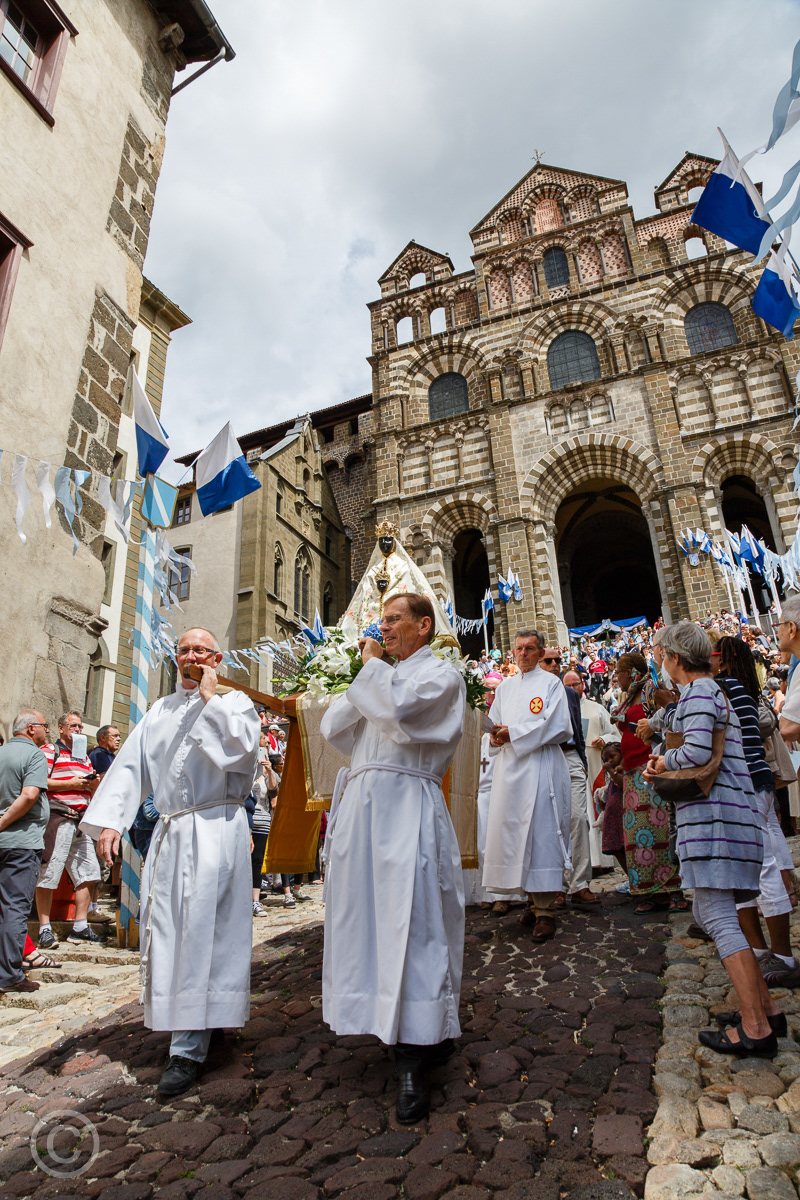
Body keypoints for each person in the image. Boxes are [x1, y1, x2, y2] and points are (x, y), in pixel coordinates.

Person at [81, 626, 260, 1099]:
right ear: (175, 658)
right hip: (174, 830)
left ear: (217, 658)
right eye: (184, 650)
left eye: (201, 650)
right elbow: (130, 770)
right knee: (172, 932)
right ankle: (202, 1023)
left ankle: (187, 1049)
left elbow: (240, 752)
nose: (192, 656)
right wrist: (112, 823)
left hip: (216, 828)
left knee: (205, 932)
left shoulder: (235, 703)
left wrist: (208, 700)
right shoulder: (158, 711)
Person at [320, 593, 466, 1125]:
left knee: (415, 921)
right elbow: (335, 729)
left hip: (408, 807)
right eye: (381, 622)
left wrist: (372, 669)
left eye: (392, 620)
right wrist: (365, 675)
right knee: (366, 917)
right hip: (363, 809)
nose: (384, 629)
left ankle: (415, 1049)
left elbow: (400, 713)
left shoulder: (442, 675)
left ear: (423, 626)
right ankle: (380, 1016)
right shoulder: (381, 674)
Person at [646, 621, 781, 1056]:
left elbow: (698, 752)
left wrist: (660, 763)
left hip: (717, 821)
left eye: (661, 655)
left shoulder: (702, 691)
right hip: (722, 819)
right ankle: (765, 1007)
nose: (660, 663)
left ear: (674, 657)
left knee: (717, 916)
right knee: (714, 911)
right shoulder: (702, 692)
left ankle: (756, 1027)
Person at [710, 636, 797, 986]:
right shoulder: (732, 686)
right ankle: (761, 953)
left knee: (761, 867)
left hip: (744, 782)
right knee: (745, 870)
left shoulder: (723, 688)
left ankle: (783, 956)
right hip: (749, 781)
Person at [483, 629, 572, 944]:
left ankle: (546, 911)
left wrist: (513, 733)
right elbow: (494, 725)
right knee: (514, 833)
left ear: (540, 652)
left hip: (540, 767)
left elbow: (559, 726)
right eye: (519, 648)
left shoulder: (551, 684)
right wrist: (495, 736)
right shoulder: (505, 688)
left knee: (540, 832)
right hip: (510, 770)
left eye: (530, 649)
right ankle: (532, 902)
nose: (523, 654)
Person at [612, 654, 683, 914]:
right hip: (632, 771)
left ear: (631, 672)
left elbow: (665, 724)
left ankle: (673, 889)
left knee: (661, 830)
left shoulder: (650, 691)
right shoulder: (628, 697)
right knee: (639, 836)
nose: (616, 677)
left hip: (650, 766)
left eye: (619, 672)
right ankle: (652, 891)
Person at [36, 711, 102, 950]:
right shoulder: (49, 752)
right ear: (61, 728)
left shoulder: (84, 757)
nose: (78, 730)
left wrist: (92, 782)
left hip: (80, 819)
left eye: (81, 726)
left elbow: (89, 787)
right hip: (59, 816)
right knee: (49, 872)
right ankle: (44, 928)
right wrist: (70, 784)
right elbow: (39, 781)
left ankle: (80, 926)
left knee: (88, 872)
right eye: (73, 726)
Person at [0, 712, 52, 993]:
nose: (47, 731)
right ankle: (9, 976)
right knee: (14, 909)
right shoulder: (34, 756)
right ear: (31, 729)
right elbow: (30, 795)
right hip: (20, 842)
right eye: (44, 726)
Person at [541, 653, 596, 908]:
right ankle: (557, 886)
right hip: (547, 757)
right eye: (548, 660)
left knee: (578, 818)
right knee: (552, 823)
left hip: (571, 755)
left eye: (557, 661)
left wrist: (582, 762)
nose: (554, 665)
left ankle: (580, 883)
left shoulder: (571, 695)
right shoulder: (533, 693)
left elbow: (578, 729)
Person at [564, 671, 619, 872]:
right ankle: (581, 862)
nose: (571, 689)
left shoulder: (596, 709)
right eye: (567, 685)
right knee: (577, 815)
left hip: (595, 765)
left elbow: (615, 733)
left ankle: (601, 860)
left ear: (583, 685)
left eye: (575, 684)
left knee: (595, 810)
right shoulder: (560, 709)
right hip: (571, 765)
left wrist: (604, 739)